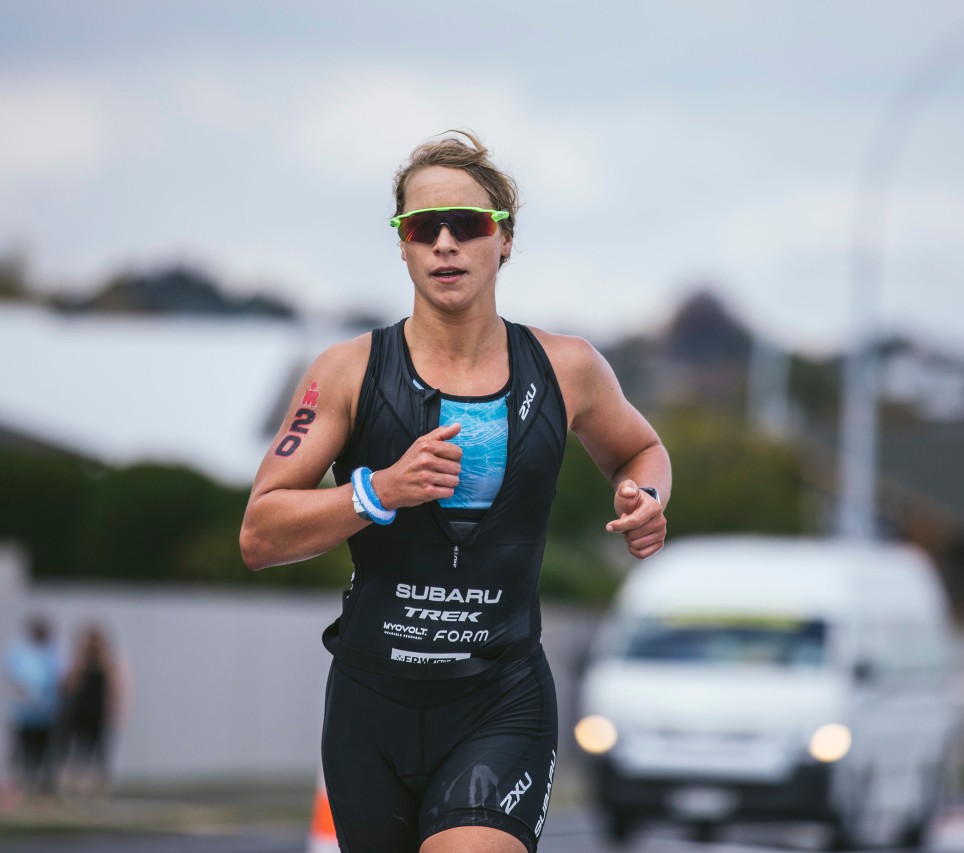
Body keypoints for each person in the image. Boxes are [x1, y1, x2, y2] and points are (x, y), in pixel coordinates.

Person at [239, 130, 670, 853]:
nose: (445, 242)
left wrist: (646, 496)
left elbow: (641, 449)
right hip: (371, 702)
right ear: (403, 246)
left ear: (503, 241)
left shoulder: (569, 368)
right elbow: (259, 531)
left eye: (467, 224)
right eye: (421, 227)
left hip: (498, 699)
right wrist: (377, 491)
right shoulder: (347, 371)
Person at [59, 623, 124, 805]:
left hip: (98, 717)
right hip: (79, 715)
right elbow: (69, 687)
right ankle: (76, 791)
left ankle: (98, 793)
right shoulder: (79, 664)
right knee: (79, 754)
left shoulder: (108, 664)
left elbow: (115, 688)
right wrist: (80, 659)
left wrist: (115, 712)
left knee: (100, 756)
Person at [4, 614, 62, 802]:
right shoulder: (19, 651)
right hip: (24, 715)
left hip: (47, 715)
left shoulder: (53, 652)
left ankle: (42, 793)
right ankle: (20, 791)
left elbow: (60, 679)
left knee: (45, 755)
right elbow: (11, 678)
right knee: (22, 756)